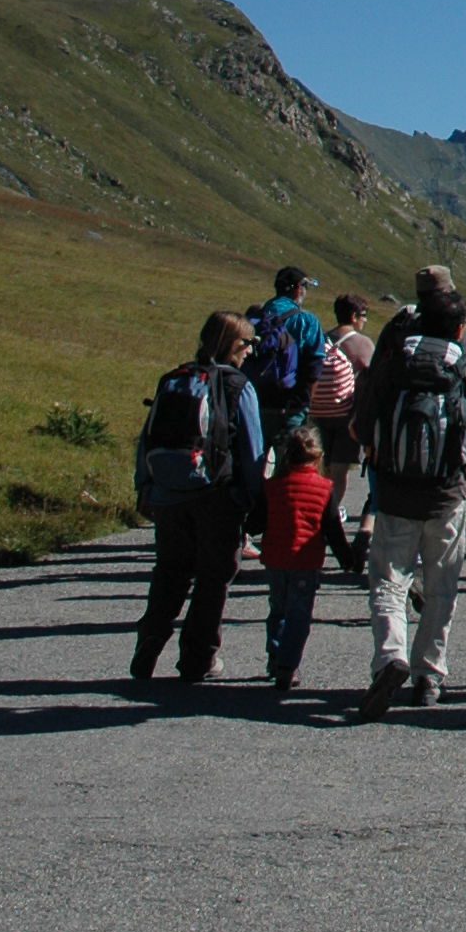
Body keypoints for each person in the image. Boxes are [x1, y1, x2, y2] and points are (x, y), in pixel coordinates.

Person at [350, 266, 466, 721]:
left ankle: (390, 656)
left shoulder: (392, 367)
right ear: (460, 329)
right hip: (446, 497)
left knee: (389, 582)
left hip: (394, 494)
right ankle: (429, 674)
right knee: (441, 587)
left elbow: (361, 426)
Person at [129, 310, 266, 686]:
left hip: (169, 492)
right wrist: (252, 500)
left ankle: (150, 641)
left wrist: (146, 486)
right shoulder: (238, 385)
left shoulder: (176, 379)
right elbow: (253, 450)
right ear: (234, 344)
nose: (252, 352)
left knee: (170, 571)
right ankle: (198, 657)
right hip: (217, 495)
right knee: (213, 577)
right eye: (249, 344)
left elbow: (147, 437)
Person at [258, 426, 338, 690]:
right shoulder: (325, 488)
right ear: (318, 458)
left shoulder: (272, 487)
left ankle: (275, 655)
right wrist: (348, 559)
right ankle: (287, 665)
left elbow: (256, 521)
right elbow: (332, 530)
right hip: (305, 561)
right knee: (299, 615)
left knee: (277, 609)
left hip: (275, 558)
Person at [246, 265, 331, 443]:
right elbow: (314, 367)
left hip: (256, 398)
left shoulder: (256, 316)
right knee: (289, 461)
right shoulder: (307, 321)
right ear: (298, 288)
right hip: (291, 404)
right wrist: (305, 404)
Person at [322, 291, 378, 541]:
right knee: (340, 468)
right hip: (347, 414)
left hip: (318, 411)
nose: (365, 320)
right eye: (364, 316)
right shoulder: (362, 344)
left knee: (320, 466)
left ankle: (318, 509)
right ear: (354, 316)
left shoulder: (322, 338)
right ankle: (330, 513)